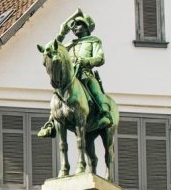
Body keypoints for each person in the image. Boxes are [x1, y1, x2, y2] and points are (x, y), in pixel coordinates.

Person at [38, 9, 117, 137]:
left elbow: (100, 58)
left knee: (95, 89)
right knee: (58, 96)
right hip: (70, 75)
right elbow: (54, 47)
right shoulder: (70, 44)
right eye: (74, 26)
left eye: (79, 24)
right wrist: (62, 32)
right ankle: (51, 123)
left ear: (87, 27)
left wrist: (86, 61)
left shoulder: (93, 41)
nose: (75, 28)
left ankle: (105, 113)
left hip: (85, 74)